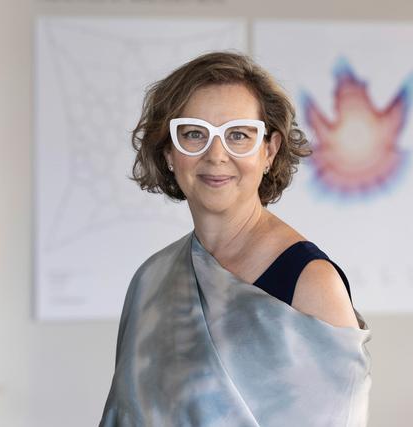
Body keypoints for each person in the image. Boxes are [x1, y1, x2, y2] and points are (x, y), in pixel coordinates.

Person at [100, 51, 372, 427]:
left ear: (269, 151)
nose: (216, 155)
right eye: (194, 134)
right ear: (169, 152)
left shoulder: (311, 284)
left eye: (238, 135)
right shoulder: (150, 279)